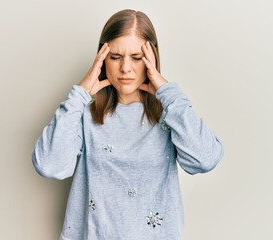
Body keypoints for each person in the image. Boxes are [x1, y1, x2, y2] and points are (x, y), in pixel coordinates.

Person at [31, 9, 224, 240]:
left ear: (151, 58)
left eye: (136, 57)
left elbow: (205, 159)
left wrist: (169, 94)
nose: (125, 68)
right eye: (115, 57)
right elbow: (49, 165)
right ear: (102, 59)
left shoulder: (170, 113)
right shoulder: (83, 112)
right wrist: (79, 94)